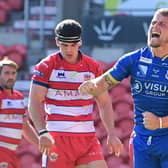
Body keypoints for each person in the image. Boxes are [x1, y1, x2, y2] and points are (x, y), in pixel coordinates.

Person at [79, 8, 168, 168]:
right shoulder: (133, 59)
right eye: (153, 22)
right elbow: (103, 82)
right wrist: (91, 86)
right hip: (143, 142)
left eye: (162, 24)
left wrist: (160, 123)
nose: (155, 27)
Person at [28, 19, 123, 168]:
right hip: (57, 138)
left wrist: (111, 133)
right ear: (57, 42)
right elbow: (34, 101)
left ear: (80, 42)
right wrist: (42, 132)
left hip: (87, 138)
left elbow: (104, 102)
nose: (69, 50)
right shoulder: (46, 66)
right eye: (64, 45)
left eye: (73, 45)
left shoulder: (92, 66)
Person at [0, 57, 39, 168]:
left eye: (13, 73)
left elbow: (25, 126)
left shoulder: (19, 97)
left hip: (12, 151)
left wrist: (40, 145)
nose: (11, 77)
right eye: (6, 73)